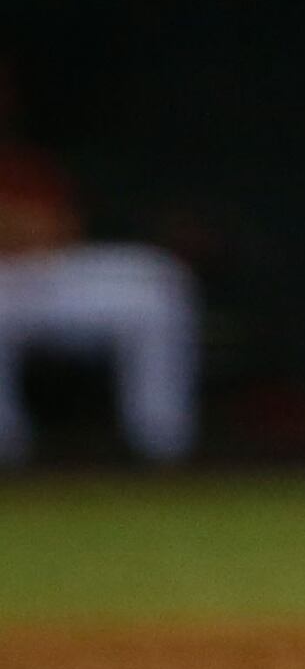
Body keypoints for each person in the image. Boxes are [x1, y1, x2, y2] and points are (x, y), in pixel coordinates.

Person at [0, 58, 198, 465]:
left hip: (44, 275)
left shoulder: (25, 162)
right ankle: (7, 450)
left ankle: (161, 446)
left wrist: (24, 230)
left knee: (158, 279)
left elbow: (57, 228)